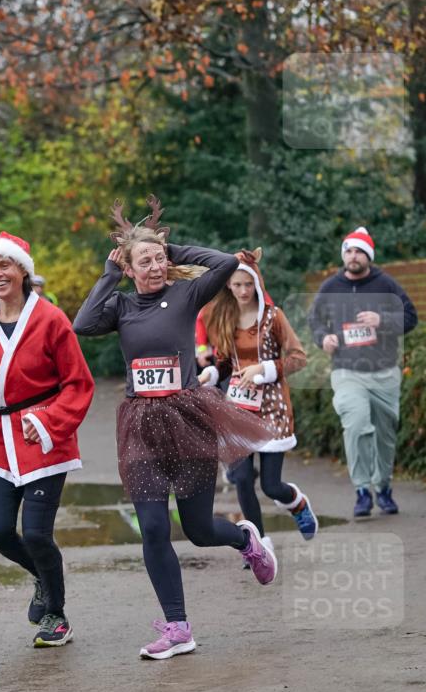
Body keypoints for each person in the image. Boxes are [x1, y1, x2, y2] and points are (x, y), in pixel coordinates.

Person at [73, 196, 275, 661]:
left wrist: (174, 248)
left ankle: (246, 539)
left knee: (200, 529)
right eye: (145, 260)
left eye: (160, 258)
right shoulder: (121, 306)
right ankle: (178, 627)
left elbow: (224, 263)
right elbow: (83, 323)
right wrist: (110, 272)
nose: (156, 266)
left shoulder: (185, 294)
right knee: (153, 529)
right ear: (129, 267)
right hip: (141, 425)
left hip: (187, 419)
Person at [0, 231, 94, 647]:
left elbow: (78, 384)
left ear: (23, 272)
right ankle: (40, 575)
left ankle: (57, 614)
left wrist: (51, 421)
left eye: (5, 266)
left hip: (42, 440)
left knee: (35, 534)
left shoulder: (51, 319)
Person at [198, 249, 318, 551]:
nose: (242, 291)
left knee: (270, 485)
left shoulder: (273, 318)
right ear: (228, 285)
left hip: (272, 408)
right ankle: (258, 544)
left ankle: (297, 503)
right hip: (239, 407)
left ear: (256, 283)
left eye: (247, 285)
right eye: (236, 285)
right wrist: (211, 374)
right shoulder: (225, 317)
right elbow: (225, 362)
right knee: (240, 478)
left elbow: (298, 358)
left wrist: (265, 369)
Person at [308, 227, 418, 517]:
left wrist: (382, 319)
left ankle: (382, 487)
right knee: (355, 425)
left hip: (384, 373)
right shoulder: (330, 287)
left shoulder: (387, 285)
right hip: (347, 371)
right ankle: (361, 490)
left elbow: (410, 317)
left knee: (385, 435)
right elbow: (315, 320)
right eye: (349, 251)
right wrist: (323, 338)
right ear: (344, 255)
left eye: (359, 251)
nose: (353, 256)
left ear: (368, 256)